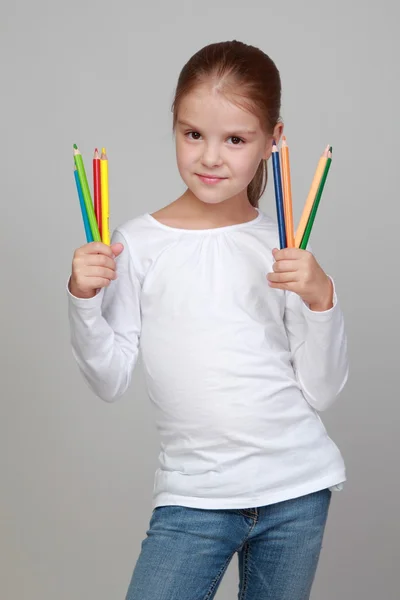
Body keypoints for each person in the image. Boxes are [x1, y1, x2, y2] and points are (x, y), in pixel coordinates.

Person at [67, 40, 348, 600]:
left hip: (297, 486)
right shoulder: (137, 243)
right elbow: (108, 379)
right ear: (174, 126)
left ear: (273, 141)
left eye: (236, 140)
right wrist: (82, 297)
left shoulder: (283, 245)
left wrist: (322, 299)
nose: (210, 157)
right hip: (194, 496)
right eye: (193, 134)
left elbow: (320, 390)